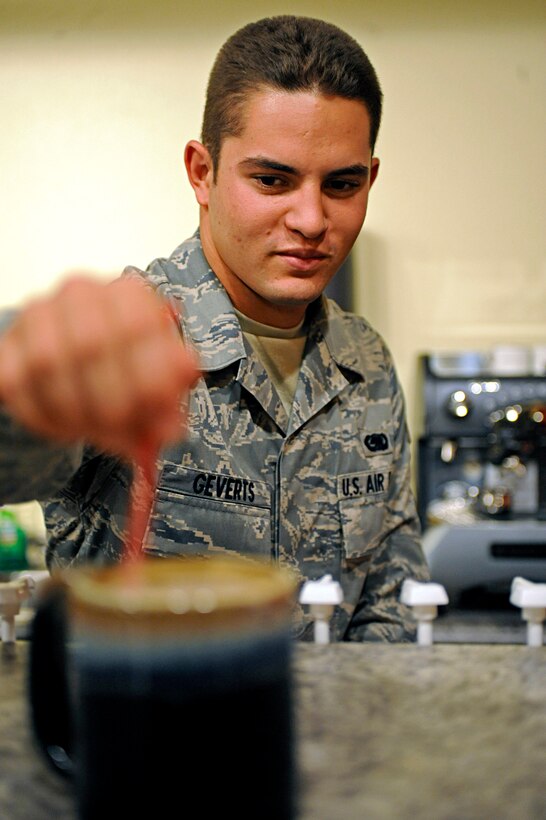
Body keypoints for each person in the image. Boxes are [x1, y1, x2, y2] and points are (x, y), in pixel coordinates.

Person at [0, 15, 429, 641]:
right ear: (202, 172)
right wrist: (23, 368)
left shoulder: (364, 360)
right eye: (272, 180)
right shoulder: (127, 341)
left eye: (341, 184)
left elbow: (390, 594)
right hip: (143, 728)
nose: (311, 219)